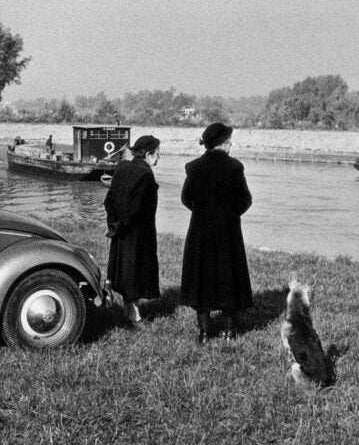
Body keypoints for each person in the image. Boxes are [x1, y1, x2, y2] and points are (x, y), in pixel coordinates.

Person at [180, 123, 253, 344]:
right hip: (227, 230)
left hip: (200, 230)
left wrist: (202, 212)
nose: (231, 144)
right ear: (223, 143)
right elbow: (246, 200)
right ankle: (230, 332)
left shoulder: (194, 167)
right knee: (228, 275)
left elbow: (186, 198)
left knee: (200, 276)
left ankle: (203, 333)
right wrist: (229, 214)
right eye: (230, 140)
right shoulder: (234, 167)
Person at [104, 134, 162, 325]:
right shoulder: (145, 174)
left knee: (124, 271)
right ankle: (134, 316)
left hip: (121, 231)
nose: (158, 158)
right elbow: (137, 208)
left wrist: (114, 225)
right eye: (157, 154)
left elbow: (109, 200)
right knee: (135, 273)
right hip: (138, 233)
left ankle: (127, 310)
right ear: (147, 154)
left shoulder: (122, 167)